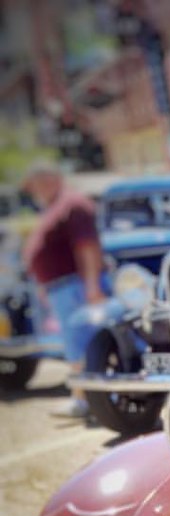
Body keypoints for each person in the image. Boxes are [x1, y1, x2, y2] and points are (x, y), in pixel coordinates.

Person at [21, 161, 109, 417]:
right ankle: (83, 396)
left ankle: (85, 399)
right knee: (74, 343)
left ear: (50, 180)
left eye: (37, 184)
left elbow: (87, 247)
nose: (35, 191)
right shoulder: (56, 206)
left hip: (76, 286)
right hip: (63, 288)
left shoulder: (73, 205)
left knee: (80, 342)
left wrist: (92, 285)